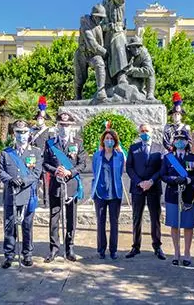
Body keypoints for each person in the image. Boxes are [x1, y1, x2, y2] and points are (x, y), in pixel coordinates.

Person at [43, 112, 88, 263]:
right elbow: (44, 163)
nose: (64, 128)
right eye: (62, 125)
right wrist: (55, 170)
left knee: (71, 218)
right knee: (54, 218)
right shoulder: (50, 143)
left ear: (71, 126)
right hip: (56, 184)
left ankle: (70, 248)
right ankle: (54, 248)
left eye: (67, 125)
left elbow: (82, 163)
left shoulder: (77, 143)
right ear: (57, 126)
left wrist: (70, 171)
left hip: (71, 185)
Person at [0, 120, 43, 268]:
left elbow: (37, 172)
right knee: (9, 225)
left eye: (24, 132)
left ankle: (27, 254)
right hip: (11, 194)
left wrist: (23, 180)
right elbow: (1, 171)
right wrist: (11, 180)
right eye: (18, 132)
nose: (22, 135)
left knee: (27, 225)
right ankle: (9, 254)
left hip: (28, 193)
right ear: (13, 133)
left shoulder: (35, 152)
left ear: (29, 133)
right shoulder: (6, 153)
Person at [160, 130, 194, 266]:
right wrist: (172, 179)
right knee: (174, 225)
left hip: (189, 195)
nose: (179, 141)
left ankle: (187, 253)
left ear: (187, 141)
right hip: (172, 195)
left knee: (188, 225)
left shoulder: (193, 158)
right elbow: (163, 175)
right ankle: (176, 252)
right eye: (177, 139)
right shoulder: (168, 158)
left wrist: (189, 180)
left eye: (182, 139)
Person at [126, 124, 166, 260]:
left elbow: (162, 168)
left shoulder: (159, 148)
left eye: (147, 131)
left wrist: (151, 181)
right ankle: (135, 246)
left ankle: (157, 246)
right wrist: (139, 182)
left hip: (153, 187)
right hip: (137, 188)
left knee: (155, 218)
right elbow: (129, 167)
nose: (144, 133)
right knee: (137, 218)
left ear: (152, 132)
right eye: (142, 131)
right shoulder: (133, 148)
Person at [91, 130, 125, 260]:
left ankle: (113, 250)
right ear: (103, 140)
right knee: (100, 222)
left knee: (114, 222)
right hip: (100, 193)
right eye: (107, 138)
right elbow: (95, 171)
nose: (109, 140)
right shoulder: (97, 155)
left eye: (111, 138)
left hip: (114, 194)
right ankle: (101, 249)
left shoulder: (119, 156)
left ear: (115, 141)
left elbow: (120, 173)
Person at [74, 4, 107, 100]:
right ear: (94, 16)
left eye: (102, 18)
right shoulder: (85, 25)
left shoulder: (99, 26)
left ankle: (101, 90)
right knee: (80, 79)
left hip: (93, 55)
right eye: (99, 17)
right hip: (82, 54)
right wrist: (105, 52)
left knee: (99, 64)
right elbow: (92, 44)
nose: (100, 20)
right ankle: (78, 96)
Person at [30, 96, 54, 207]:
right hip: (33, 159)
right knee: (33, 180)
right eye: (38, 118)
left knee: (46, 180)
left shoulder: (49, 131)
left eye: (41, 118)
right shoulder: (31, 131)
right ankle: (32, 201)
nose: (39, 120)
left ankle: (47, 202)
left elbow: (52, 146)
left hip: (44, 158)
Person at [125, 36, 156, 100]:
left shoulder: (144, 54)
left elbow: (149, 71)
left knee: (151, 74)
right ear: (129, 48)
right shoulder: (125, 53)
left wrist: (133, 70)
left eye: (138, 46)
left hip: (139, 78)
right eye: (133, 47)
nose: (136, 49)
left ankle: (150, 94)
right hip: (127, 79)